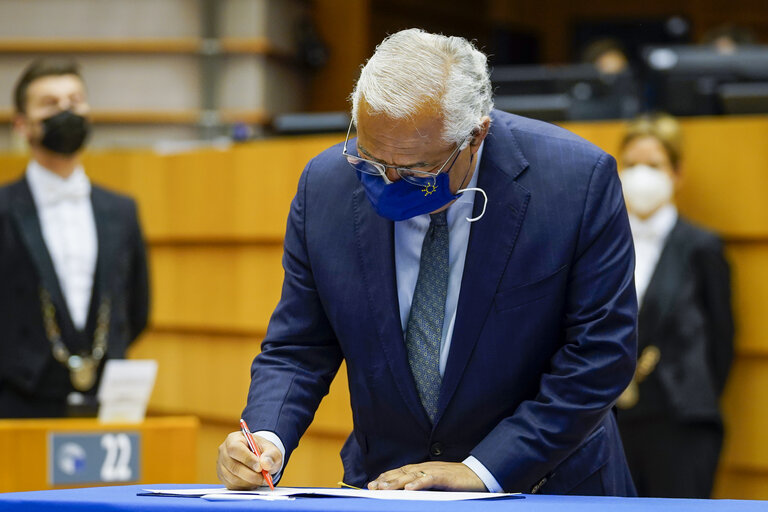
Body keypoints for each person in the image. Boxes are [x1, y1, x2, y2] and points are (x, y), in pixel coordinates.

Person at [218, 28, 637, 495]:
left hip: (547, 487)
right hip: (386, 491)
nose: (390, 182)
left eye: (418, 171)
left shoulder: (575, 182)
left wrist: (481, 470)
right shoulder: (326, 186)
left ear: (476, 135)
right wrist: (266, 440)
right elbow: (298, 346)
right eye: (373, 161)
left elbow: (600, 355)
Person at [0, 59, 150, 418]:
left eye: (75, 101)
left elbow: (138, 307)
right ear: (22, 124)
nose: (66, 110)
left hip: (105, 403)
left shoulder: (122, 209)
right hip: (16, 403)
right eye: (50, 104)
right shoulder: (3, 208)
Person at [615, 113, 734, 498]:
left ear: (676, 173)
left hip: (680, 420)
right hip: (610, 421)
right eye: (631, 165)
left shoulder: (701, 246)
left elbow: (722, 338)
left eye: (653, 165)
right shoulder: (603, 242)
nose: (641, 175)